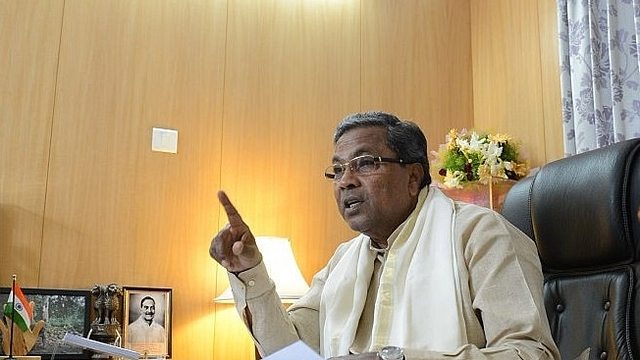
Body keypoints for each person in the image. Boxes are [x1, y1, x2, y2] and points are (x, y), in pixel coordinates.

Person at [209, 111, 560, 360]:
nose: (345, 180)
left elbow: (530, 353)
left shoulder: (479, 236)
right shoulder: (343, 261)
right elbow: (290, 353)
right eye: (338, 169)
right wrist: (249, 271)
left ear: (413, 178)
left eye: (364, 163)